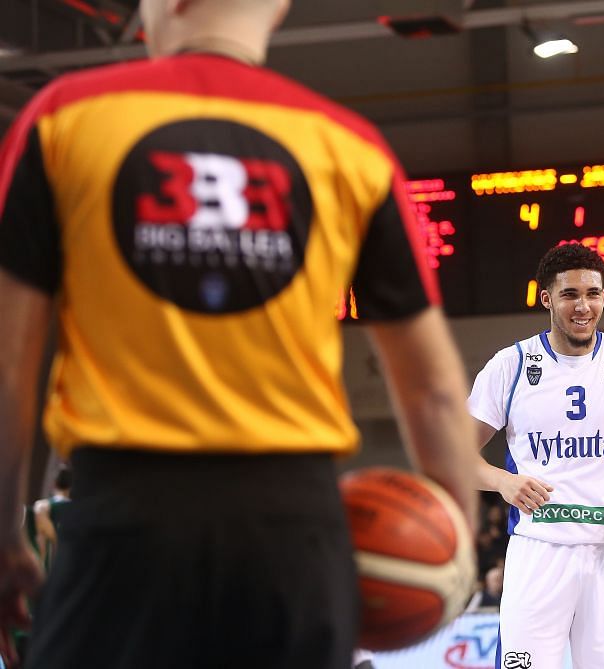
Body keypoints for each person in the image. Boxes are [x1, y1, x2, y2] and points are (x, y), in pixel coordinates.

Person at [0, 1, 479, 668]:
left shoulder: (63, 116)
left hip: (127, 526)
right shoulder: (348, 145)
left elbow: (8, 367)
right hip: (295, 537)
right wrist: (450, 547)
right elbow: (430, 389)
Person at [468, 243, 604, 669]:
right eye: (570, 295)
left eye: (593, 294)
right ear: (547, 298)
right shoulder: (511, 365)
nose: (583, 306)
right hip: (540, 549)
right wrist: (503, 482)